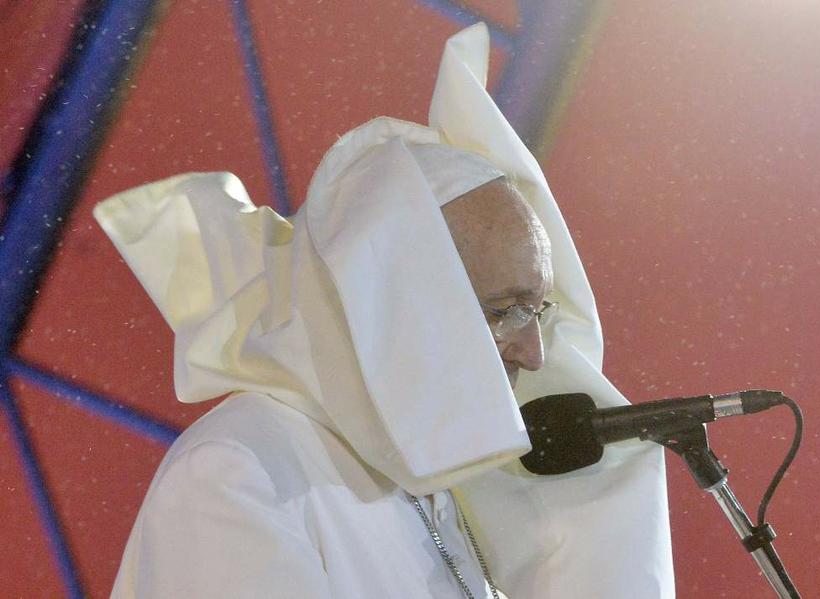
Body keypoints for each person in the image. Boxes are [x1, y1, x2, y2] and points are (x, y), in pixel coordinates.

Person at [95, 23, 674, 598]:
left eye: (536, 309)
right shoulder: (240, 468)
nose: (533, 353)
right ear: (392, 306)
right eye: (505, 311)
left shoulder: (433, 481)